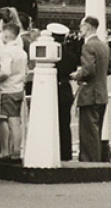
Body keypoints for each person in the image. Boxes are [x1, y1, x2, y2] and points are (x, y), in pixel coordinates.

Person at [71, 15, 111, 163]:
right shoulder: (103, 45)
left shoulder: (88, 46)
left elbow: (88, 70)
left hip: (90, 94)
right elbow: (110, 68)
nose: (80, 29)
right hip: (101, 93)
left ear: (87, 27)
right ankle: (96, 160)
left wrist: (77, 75)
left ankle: (89, 161)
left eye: (81, 26)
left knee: (88, 132)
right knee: (96, 132)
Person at [0, 22, 26, 161]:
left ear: (6, 35)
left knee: (4, 120)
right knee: (16, 121)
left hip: (7, 89)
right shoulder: (22, 52)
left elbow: (5, 71)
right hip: (18, 88)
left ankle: (5, 151)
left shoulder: (7, 51)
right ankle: (17, 150)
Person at [48, 23, 78, 161]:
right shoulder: (70, 56)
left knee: (50, 122)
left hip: (51, 88)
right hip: (65, 89)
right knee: (65, 123)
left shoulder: (50, 53)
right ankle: (66, 153)